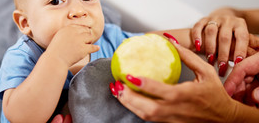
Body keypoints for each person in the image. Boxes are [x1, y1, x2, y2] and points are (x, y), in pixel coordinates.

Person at [0, 0, 242, 122]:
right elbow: (22, 115)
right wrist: (57, 57)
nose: (78, 11)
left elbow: (153, 42)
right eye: (56, 1)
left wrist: (205, 34)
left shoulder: (109, 38)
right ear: (25, 23)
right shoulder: (24, 56)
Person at [110, 8, 259, 122]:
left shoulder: (112, 38)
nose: (85, 13)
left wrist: (235, 114)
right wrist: (221, 22)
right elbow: (240, 14)